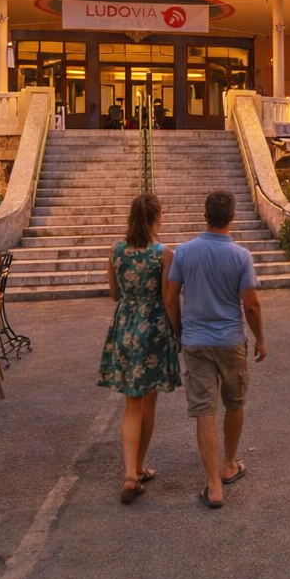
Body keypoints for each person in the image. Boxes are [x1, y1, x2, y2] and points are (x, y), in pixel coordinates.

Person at [164, 191, 266, 510]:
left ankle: (213, 484)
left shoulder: (184, 252)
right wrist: (261, 338)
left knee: (204, 410)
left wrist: (181, 332)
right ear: (232, 216)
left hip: (195, 341)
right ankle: (229, 463)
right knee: (234, 403)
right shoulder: (240, 255)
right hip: (230, 340)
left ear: (205, 214)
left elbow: (170, 297)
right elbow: (250, 304)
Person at [99, 194, 180, 504]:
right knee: (148, 402)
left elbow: (113, 292)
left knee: (132, 402)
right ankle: (136, 469)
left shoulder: (116, 250)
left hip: (125, 326)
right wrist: (178, 331)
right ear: (156, 217)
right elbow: (168, 298)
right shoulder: (163, 254)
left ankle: (134, 470)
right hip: (154, 327)